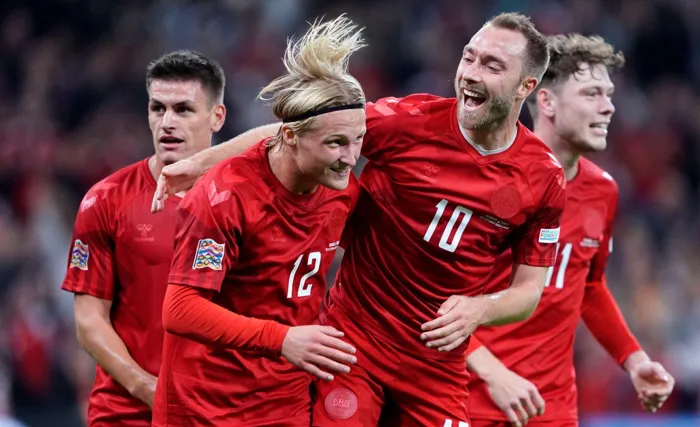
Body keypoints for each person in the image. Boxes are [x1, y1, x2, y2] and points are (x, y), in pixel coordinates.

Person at [152, 12, 565, 427]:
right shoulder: (409, 122)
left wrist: (481, 309)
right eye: (468, 57)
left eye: (492, 66)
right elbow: (308, 128)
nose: (471, 73)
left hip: (436, 366)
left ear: (526, 86)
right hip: (353, 345)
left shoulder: (543, 178)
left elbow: (529, 291)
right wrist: (201, 163)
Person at [150, 16, 364, 427]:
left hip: (284, 404)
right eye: (336, 143)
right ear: (291, 136)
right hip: (202, 409)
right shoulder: (225, 197)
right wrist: (282, 339)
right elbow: (180, 309)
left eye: (358, 140)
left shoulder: (341, 187)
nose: (351, 157)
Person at [464, 34, 675, 427]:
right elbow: (428, 295)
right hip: (470, 399)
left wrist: (634, 360)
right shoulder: (489, 181)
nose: (608, 107)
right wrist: (493, 374)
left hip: (553, 408)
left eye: (609, 95)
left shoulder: (603, 190)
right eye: (592, 94)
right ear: (546, 102)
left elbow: (588, 285)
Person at [61, 50, 227, 426]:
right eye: (157, 108)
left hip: (218, 412)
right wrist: (147, 387)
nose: (167, 122)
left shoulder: (245, 198)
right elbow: (89, 320)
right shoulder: (106, 199)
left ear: (217, 117)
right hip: (128, 414)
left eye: (183, 109)